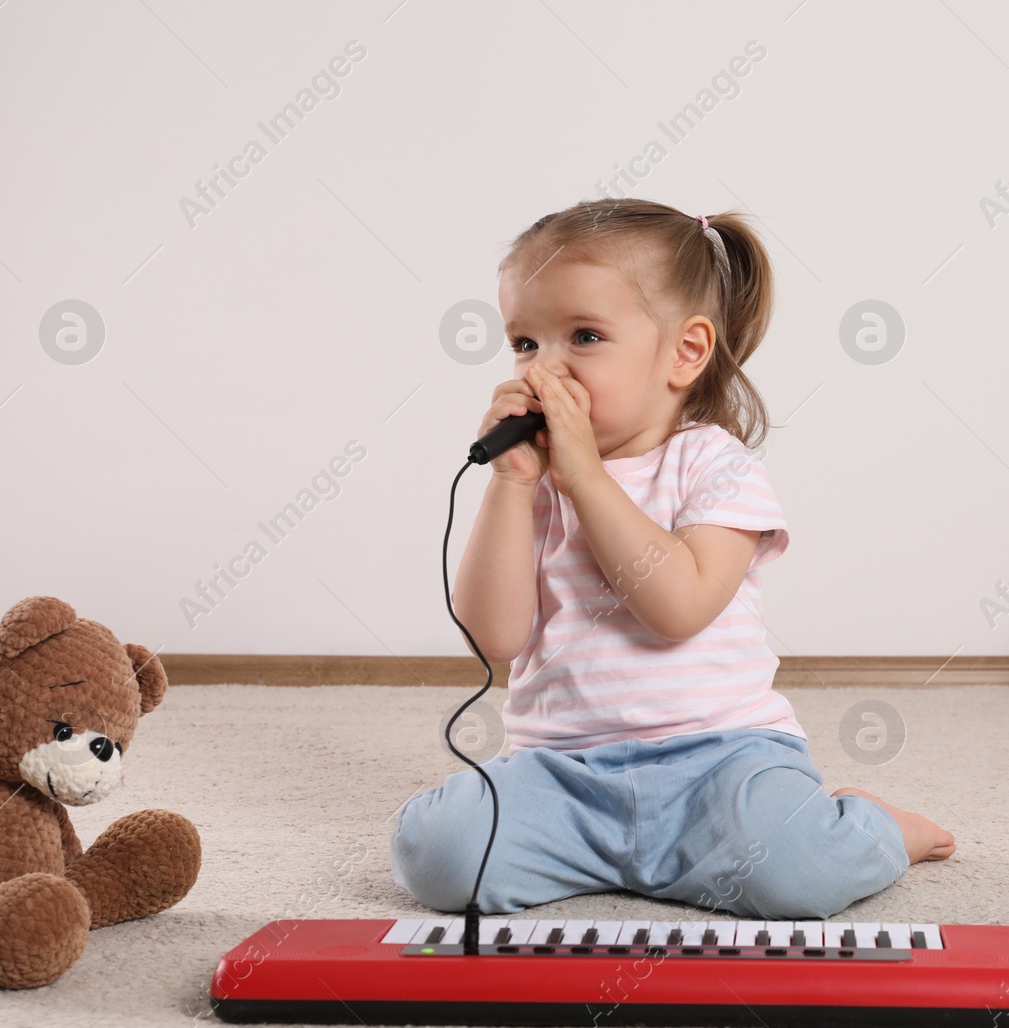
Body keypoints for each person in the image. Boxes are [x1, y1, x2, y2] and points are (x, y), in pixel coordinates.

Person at [390, 198, 953, 920]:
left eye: (583, 336)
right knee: (440, 857)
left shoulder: (715, 466)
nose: (543, 368)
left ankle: (875, 826)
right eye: (526, 343)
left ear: (686, 352)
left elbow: (677, 607)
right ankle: (620, 854)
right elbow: (493, 638)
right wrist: (509, 485)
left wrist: (588, 478)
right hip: (561, 770)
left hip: (719, 763)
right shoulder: (530, 479)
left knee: (797, 871)